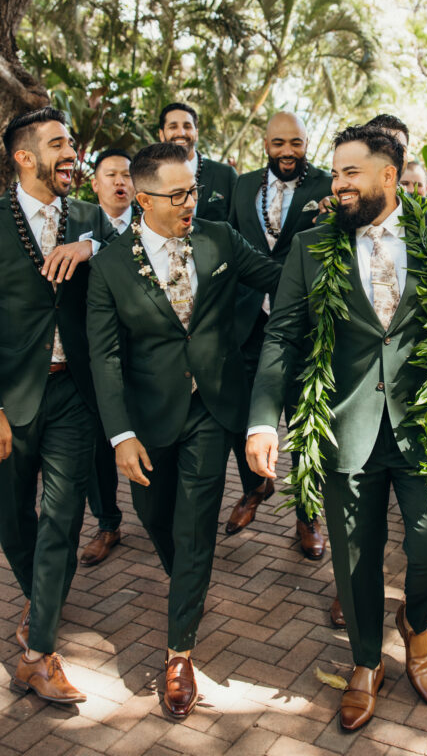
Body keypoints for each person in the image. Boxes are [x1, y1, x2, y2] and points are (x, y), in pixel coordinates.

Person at [246, 125, 427, 730]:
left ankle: (416, 625)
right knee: (355, 559)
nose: (335, 184)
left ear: (388, 177)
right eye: (335, 173)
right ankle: (365, 662)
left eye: (348, 173)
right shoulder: (311, 246)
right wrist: (265, 418)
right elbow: (282, 335)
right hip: (344, 426)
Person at [86, 143, 281, 719]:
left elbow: (281, 275)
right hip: (146, 421)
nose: (190, 202)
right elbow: (105, 358)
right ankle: (187, 589)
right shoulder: (112, 266)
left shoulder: (219, 239)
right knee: (157, 521)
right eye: (177, 195)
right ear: (143, 199)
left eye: (193, 190)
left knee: (195, 527)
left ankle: (178, 654)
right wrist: (121, 436)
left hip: (211, 409)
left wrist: (342, 242)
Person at [0, 107, 114, 704]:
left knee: (63, 519)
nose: (71, 154)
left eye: (71, 143)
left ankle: (40, 650)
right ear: (24, 157)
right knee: (12, 518)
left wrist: (91, 244)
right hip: (9, 396)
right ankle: (37, 598)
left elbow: (129, 241)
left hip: (74, 391)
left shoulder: (92, 218)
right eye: (58, 145)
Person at [225, 112, 332, 558]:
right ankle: (255, 488)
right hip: (246, 321)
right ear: (264, 143)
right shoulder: (243, 184)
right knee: (243, 414)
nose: (287, 151)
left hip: (303, 324)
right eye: (278, 143)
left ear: (307, 142)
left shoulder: (326, 185)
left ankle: (308, 516)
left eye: (296, 142)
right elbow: (231, 241)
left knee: (305, 422)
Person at [80, 148, 134, 568]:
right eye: (110, 174)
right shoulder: (77, 225)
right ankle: (107, 521)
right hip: (96, 355)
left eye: (127, 175)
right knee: (100, 442)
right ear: (94, 183)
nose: (120, 181)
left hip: (145, 354)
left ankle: (160, 513)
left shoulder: (152, 224)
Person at [158, 102, 237, 222]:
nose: (181, 133)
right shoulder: (150, 175)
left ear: (196, 134)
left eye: (187, 126)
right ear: (162, 134)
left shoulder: (226, 175)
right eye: (173, 127)